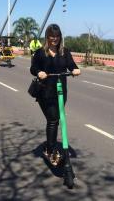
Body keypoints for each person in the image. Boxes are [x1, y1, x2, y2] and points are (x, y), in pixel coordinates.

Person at [30, 24, 81, 166]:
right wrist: (39, 72)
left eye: (57, 36)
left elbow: (71, 65)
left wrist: (75, 70)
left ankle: (49, 146)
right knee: (53, 119)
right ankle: (51, 150)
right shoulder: (40, 52)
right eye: (52, 37)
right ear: (47, 37)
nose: (55, 39)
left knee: (57, 119)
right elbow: (33, 68)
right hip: (45, 92)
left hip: (60, 91)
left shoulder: (65, 51)